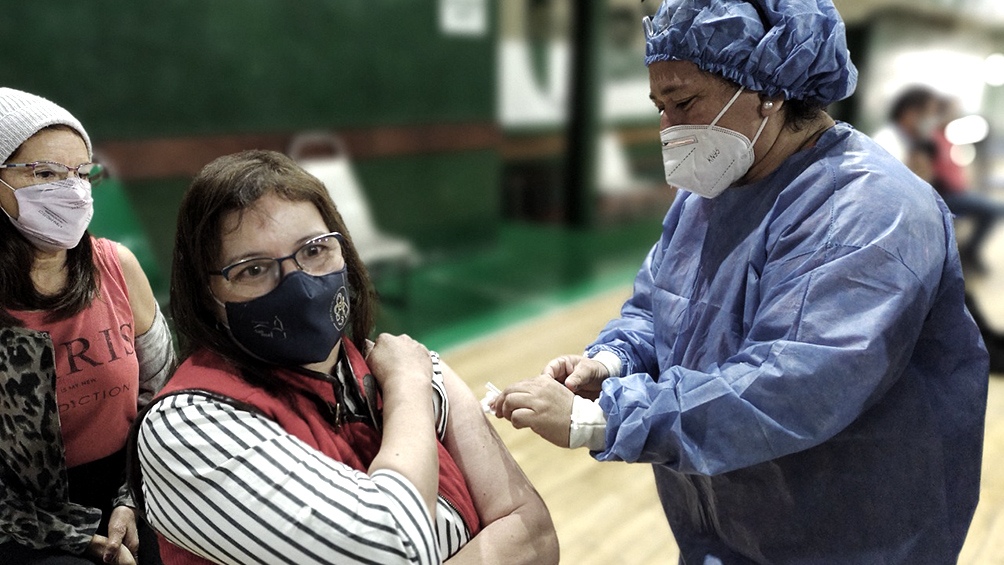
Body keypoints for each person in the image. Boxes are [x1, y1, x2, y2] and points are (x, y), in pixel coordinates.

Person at [490, 0, 990, 562]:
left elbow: (797, 384)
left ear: (768, 89)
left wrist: (603, 419)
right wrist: (610, 361)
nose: (668, 129)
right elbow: (659, 307)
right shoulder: (711, 194)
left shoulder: (869, 209)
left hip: (847, 534)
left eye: (684, 103)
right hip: (725, 523)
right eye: (659, 107)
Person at [127, 150, 559, 565]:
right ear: (208, 295)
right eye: (253, 269)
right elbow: (392, 550)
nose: (299, 286)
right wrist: (409, 390)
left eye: (314, 250)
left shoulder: (390, 362)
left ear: (343, 251)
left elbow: (535, 535)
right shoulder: (185, 427)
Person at [0, 87, 175, 565]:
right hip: (21, 521)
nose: (73, 190)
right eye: (45, 174)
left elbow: (164, 397)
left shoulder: (116, 267)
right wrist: (80, 538)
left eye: (82, 173)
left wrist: (130, 498)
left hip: (134, 486)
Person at [874, 86, 1004, 274]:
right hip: (919, 208)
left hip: (934, 200)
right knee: (991, 210)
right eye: (930, 113)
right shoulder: (891, 142)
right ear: (910, 112)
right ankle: (965, 255)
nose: (933, 118)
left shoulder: (925, 141)